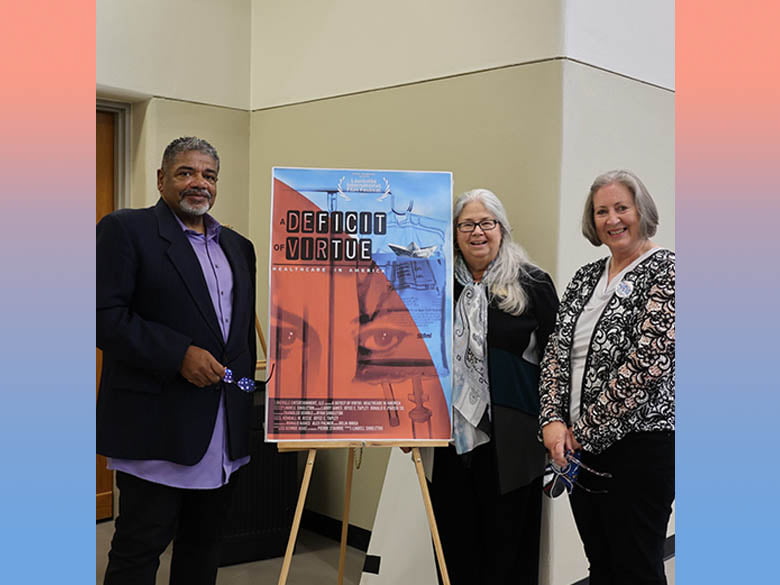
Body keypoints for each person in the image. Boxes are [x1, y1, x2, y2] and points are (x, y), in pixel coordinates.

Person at [96, 136, 257, 585]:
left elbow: (241, 337)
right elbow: (101, 316)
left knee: (204, 548)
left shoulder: (239, 248)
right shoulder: (126, 230)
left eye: (208, 175)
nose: (198, 183)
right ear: (162, 179)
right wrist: (177, 354)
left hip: (222, 431)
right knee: (138, 549)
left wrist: (249, 394)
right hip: (157, 426)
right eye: (186, 172)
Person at [539, 169, 675, 585]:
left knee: (636, 565)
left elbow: (648, 364)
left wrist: (582, 431)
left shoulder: (667, 271)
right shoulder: (584, 278)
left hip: (641, 447)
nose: (612, 219)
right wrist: (552, 420)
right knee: (601, 562)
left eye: (622, 208)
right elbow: (556, 353)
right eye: (602, 211)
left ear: (641, 212)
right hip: (581, 449)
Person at [427, 188, 559, 585]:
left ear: (502, 229)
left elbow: (557, 358)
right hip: (447, 438)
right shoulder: (433, 284)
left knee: (509, 550)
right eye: (467, 224)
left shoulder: (532, 283)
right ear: (454, 233)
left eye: (487, 223)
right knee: (453, 545)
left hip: (514, 440)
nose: (477, 232)